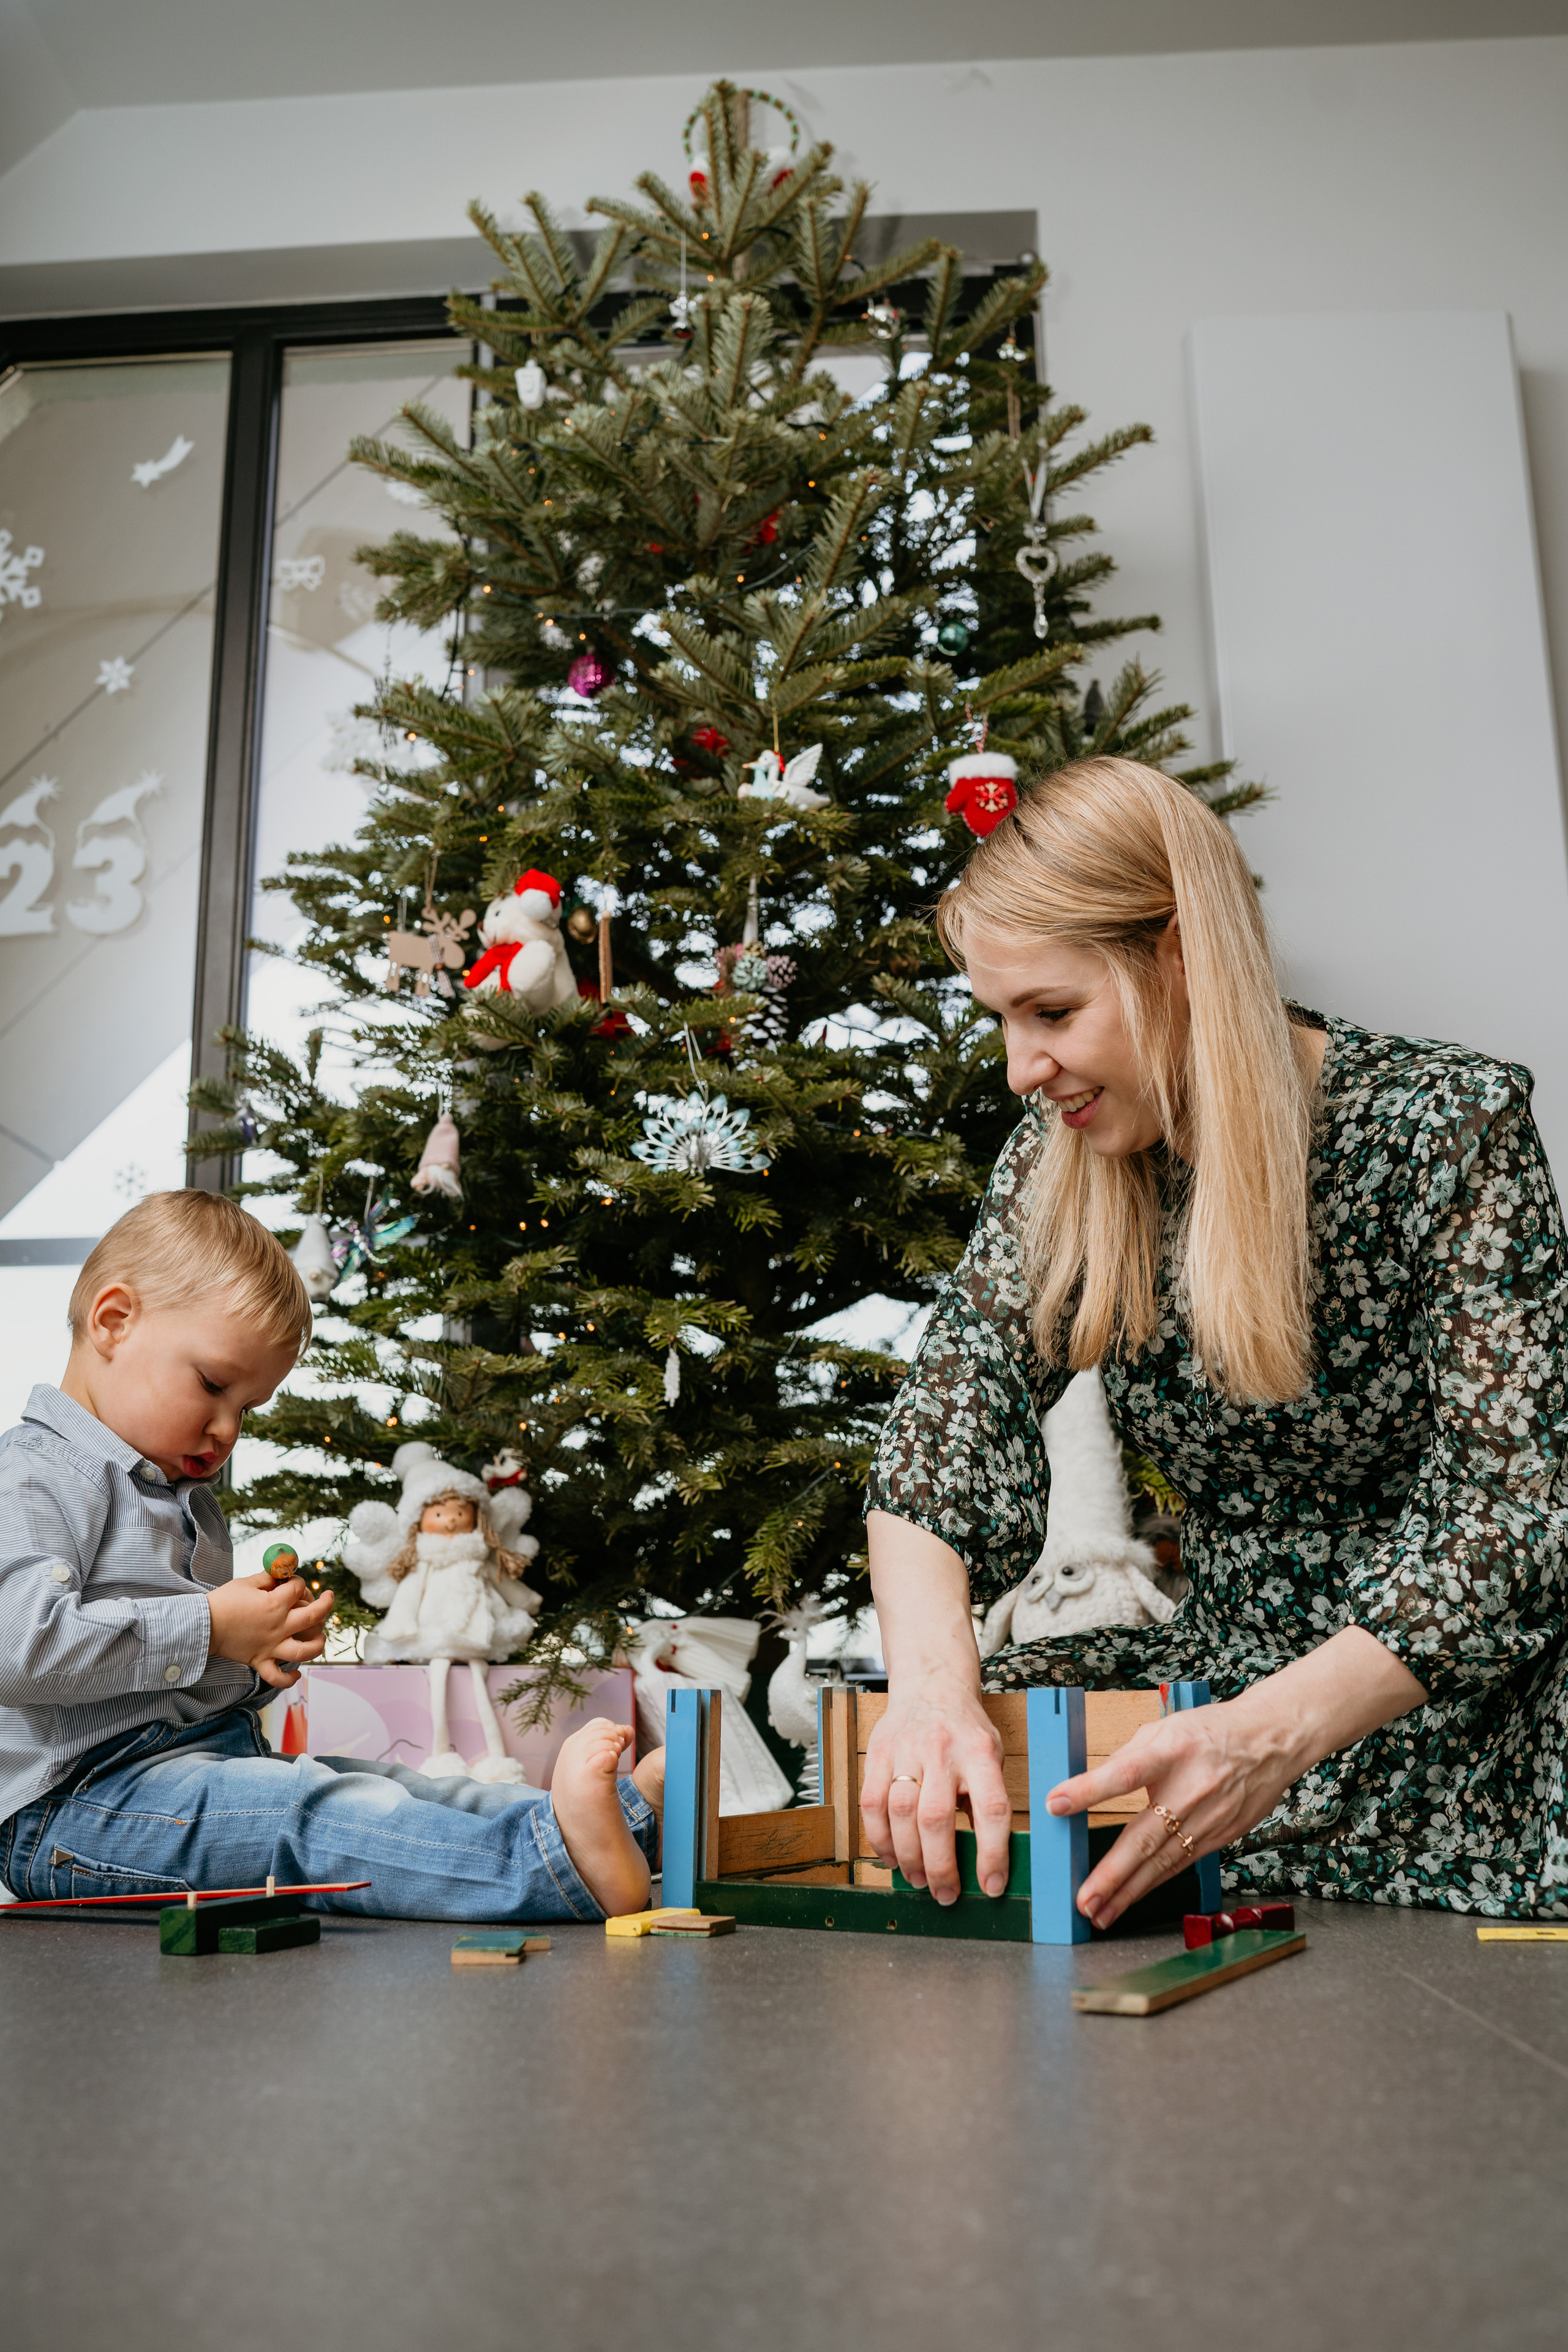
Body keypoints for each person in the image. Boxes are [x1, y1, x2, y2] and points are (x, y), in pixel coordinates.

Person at [862, 756, 1567, 1927]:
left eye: (1052, 1013)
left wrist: (1265, 1739)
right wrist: (932, 1685)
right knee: (919, 1756)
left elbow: (1516, 1518)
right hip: (1212, 1709)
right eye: (1001, 1020)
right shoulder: (1065, 1155)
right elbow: (952, 1405)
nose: (1019, 1069)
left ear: (1179, 956)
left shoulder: (1450, 1126)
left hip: (1458, 1720)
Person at [0, 1190, 660, 1921]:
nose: (226, 1430)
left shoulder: (182, 1497)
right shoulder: (34, 1474)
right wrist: (210, 1628)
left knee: (382, 1784)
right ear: (114, 1321)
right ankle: (557, 1865)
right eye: (214, 1385)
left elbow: (169, 1679)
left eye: (247, 1409)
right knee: (306, 1813)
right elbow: (17, 1648)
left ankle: (621, 1822)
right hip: (74, 1807)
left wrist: (250, 1657)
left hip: (196, 1766)